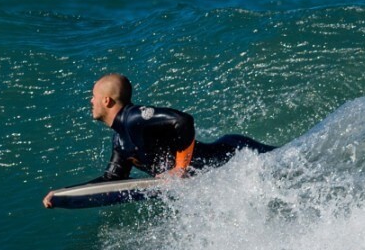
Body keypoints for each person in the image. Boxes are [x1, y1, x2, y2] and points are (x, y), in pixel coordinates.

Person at [42, 73, 277, 208]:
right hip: (223, 173)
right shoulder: (120, 140)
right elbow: (112, 181)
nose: (90, 102)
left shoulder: (135, 118)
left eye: (93, 97)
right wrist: (65, 194)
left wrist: (179, 169)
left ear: (106, 101)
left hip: (234, 154)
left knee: (287, 161)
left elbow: (183, 121)